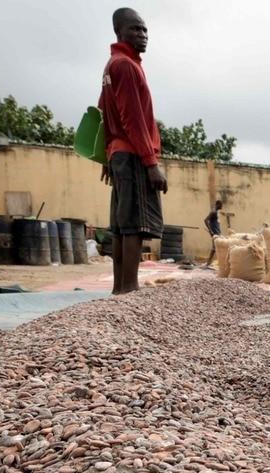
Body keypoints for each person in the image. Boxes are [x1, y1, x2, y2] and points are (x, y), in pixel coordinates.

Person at [99, 7, 165, 295]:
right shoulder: (124, 65)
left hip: (120, 152)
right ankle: (130, 290)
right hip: (133, 153)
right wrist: (151, 162)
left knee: (122, 223)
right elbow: (133, 117)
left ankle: (120, 289)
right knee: (134, 224)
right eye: (135, 29)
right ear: (119, 32)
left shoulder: (113, 65)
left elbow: (102, 111)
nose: (142, 35)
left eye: (144, 30)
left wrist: (107, 155)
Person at [202, 199, 223, 268]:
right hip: (215, 233)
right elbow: (206, 220)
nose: (222, 206)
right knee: (214, 248)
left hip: (217, 233)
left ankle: (209, 262)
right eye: (221, 205)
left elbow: (216, 224)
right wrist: (211, 231)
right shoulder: (213, 212)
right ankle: (208, 263)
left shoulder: (216, 212)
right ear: (218, 204)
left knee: (216, 248)